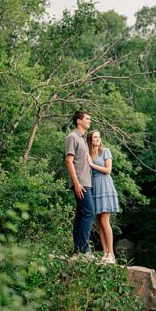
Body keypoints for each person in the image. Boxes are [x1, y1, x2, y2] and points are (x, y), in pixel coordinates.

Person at [64, 110, 94, 256]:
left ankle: (77, 250)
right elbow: (69, 161)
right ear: (79, 121)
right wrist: (76, 183)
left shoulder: (83, 139)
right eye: (87, 119)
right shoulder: (72, 137)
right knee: (89, 213)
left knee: (81, 215)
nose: (90, 121)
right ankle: (83, 250)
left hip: (87, 182)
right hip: (80, 183)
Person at [87, 130, 119, 264]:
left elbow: (108, 170)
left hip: (105, 185)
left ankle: (111, 253)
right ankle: (105, 252)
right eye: (95, 137)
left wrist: (92, 164)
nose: (97, 139)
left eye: (99, 137)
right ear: (90, 140)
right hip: (94, 186)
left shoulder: (105, 151)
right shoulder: (88, 154)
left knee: (105, 220)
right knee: (99, 221)